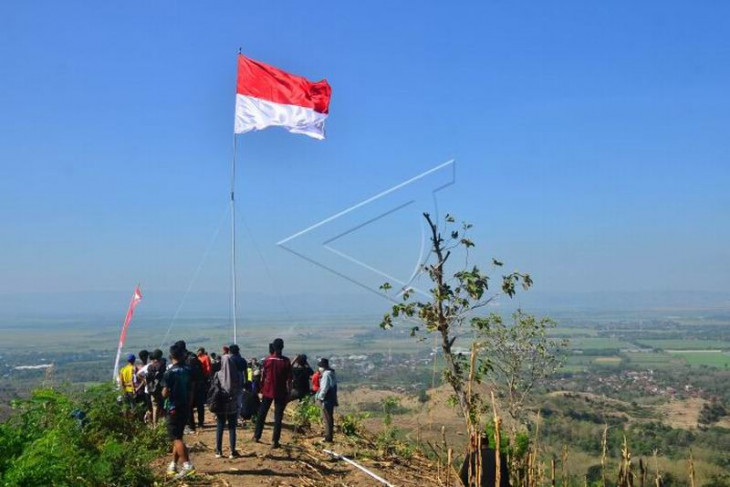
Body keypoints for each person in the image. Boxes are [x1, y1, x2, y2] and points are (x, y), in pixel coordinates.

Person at [162, 344, 195, 479]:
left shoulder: (169, 373)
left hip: (173, 407)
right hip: (185, 406)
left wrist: (164, 392)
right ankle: (174, 465)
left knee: (175, 438)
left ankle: (187, 465)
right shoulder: (189, 370)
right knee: (178, 437)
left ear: (171, 356)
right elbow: (192, 388)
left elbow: (164, 393)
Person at [253, 338, 292, 448]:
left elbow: (263, 377)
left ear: (273, 347)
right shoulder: (286, 361)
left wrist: (260, 390)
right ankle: (275, 441)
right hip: (281, 392)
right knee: (278, 417)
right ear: (282, 347)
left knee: (262, 413)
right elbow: (289, 380)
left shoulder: (267, 360)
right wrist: (288, 392)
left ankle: (257, 436)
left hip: (268, 390)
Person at [211, 354, 242, 458]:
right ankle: (232, 451)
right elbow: (238, 390)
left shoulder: (218, 374)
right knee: (232, 427)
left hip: (220, 404)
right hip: (232, 404)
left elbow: (214, 389)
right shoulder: (236, 375)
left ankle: (218, 451)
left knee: (220, 426)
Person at [174, 340, 203, 433]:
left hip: (191, 385)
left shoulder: (187, 358)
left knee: (189, 405)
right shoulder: (192, 356)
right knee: (199, 404)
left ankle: (191, 426)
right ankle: (200, 423)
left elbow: (189, 373)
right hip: (198, 384)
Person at [316, 358, 338, 443]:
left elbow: (324, 388)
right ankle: (329, 435)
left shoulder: (326, 374)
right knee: (329, 417)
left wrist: (320, 397)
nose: (319, 368)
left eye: (320, 366)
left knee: (327, 418)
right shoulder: (331, 373)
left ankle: (328, 437)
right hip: (331, 398)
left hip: (326, 399)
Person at [144, 349, 166, 425]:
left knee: (155, 406)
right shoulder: (161, 365)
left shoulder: (150, 367)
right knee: (161, 405)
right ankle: (160, 422)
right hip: (161, 388)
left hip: (152, 389)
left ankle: (155, 424)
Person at [229, 344, 248, 422]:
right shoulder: (242, 360)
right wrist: (246, 381)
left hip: (231, 381)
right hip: (240, 380)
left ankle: (231, 415)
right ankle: (237, 416)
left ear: (230, 351)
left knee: (231, 399)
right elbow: (245, 372)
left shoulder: (230, 360)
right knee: (239, 399)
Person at [196, 347, 213, 428]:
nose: (197, 352)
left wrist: (208, 376)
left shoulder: (206, 358)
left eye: (198, 351)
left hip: (204, 378)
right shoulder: (197, 358)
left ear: (201, 351)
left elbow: (208, 367)